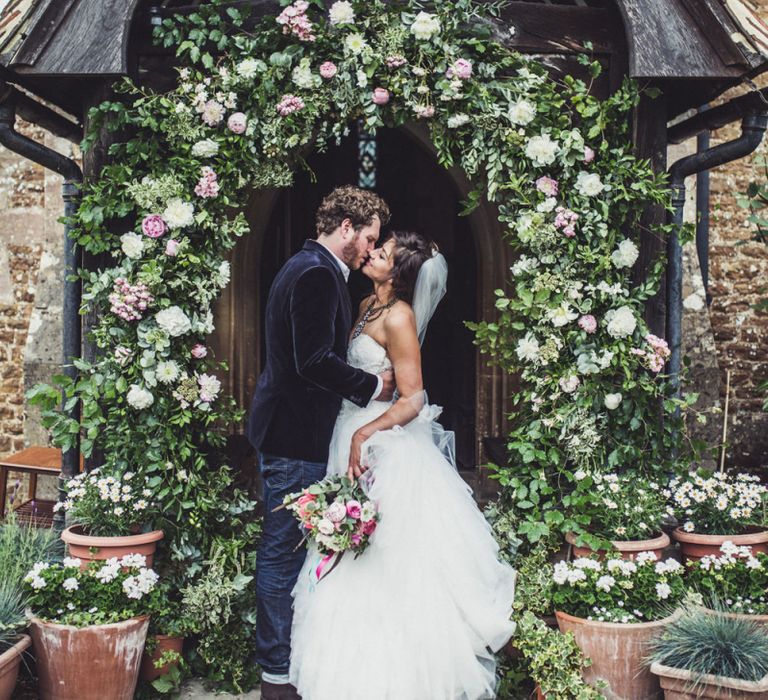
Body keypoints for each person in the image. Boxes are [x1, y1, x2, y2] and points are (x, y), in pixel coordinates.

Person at [290, 231, 517, 700]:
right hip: (350, 433)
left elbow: (414, 397)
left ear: (398, 274)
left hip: (383, 446)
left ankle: (392, 679)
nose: (371, 252)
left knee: (385, 556)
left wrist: (364, 433)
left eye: (383, 252)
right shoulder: (365, 305)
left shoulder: (399, 317)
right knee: (347, 550)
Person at [247, 186, 395, 700]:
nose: (370, 250)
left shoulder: (312, 267)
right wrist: (373, 385)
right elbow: (311, 361)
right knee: (283, 550)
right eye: (369, 237)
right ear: (347, 227)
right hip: (293, 436)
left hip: (294, 433)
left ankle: (287, 663)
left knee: (289, 547)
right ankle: (275, 675)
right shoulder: (315, 273)